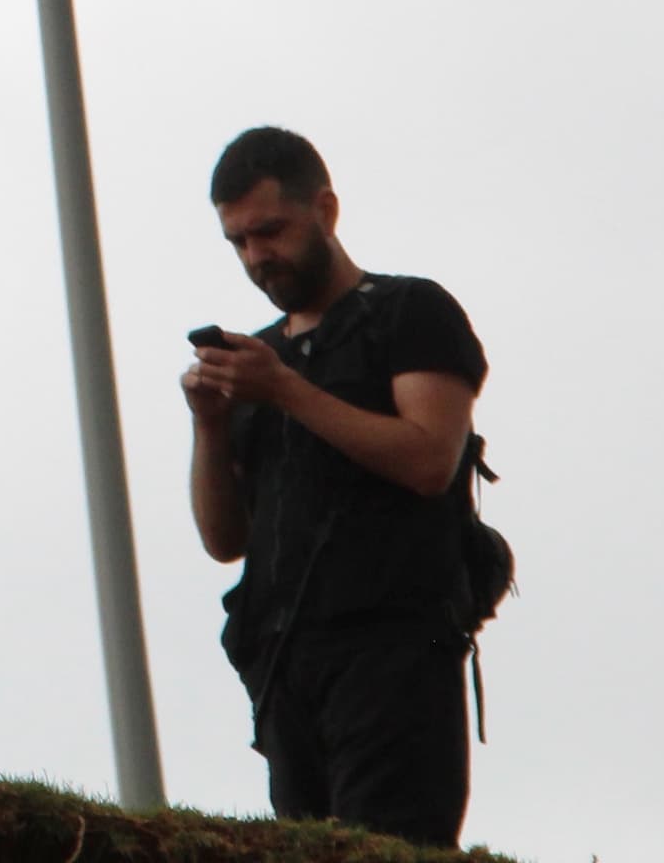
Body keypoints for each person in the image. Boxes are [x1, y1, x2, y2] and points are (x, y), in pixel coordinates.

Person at [183, 126, 490, 849]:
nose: (256, 256)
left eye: (270, 231)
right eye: (238, 241)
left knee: (389, 846)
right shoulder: (262, 359)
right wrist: (211, 426)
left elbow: (429, 459)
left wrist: (285, 390)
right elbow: (225, 540)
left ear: (324, 210)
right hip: (284, 668)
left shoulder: (409, 312)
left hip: (397, 655)